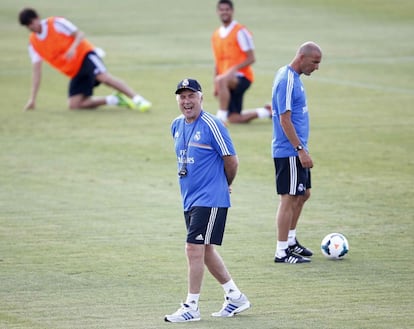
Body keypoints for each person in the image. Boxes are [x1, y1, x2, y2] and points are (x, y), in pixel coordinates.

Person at [165, 78, 250, 322]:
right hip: (189, 199)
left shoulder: (213, 125)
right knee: (206, 250)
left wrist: (226, 184)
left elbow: (231, 159)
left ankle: (191, 306)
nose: (186, 101)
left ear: (201, 98)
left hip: (210, 197)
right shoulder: (176, 125)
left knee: (193, 247)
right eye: (182, 96)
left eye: (191, 96)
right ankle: (235, 297)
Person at [18, 8, 151, 112]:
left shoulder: (55, 23)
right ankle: (114, 100)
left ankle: (138, 99)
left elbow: (80, 34)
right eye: (27, 25)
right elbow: (36, 71)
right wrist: (32, 99)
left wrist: (73, 48)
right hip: (74, 71)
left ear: (37, 18)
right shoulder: (33, 43)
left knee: (103, 77)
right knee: (74, 105)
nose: (31, 27)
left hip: (84, 55)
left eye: (31, 22)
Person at [271, 41, 322, 264]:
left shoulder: (293, 77)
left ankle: (290, 241)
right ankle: (281, 252)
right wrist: (300, 150)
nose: (317, 67)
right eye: (315, 62)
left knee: (303, 194)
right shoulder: (287, 80)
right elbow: (284, 118)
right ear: (302, 58)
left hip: (296, 149)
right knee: (289, 198)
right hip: (289, 150)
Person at [212, 0, 271, 124]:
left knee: (222, 80)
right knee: (234, 119)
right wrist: (216, 84)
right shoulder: (216, 35)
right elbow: (217, 62)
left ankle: (219, 119)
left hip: (242, 77)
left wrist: (232, 70)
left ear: (232, 11)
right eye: (222, 9)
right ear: (218, 12)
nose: (224, 12)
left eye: (227, 9)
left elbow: (251, 58)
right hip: (225, 82)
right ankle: (268, 111)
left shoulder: (240, 31)